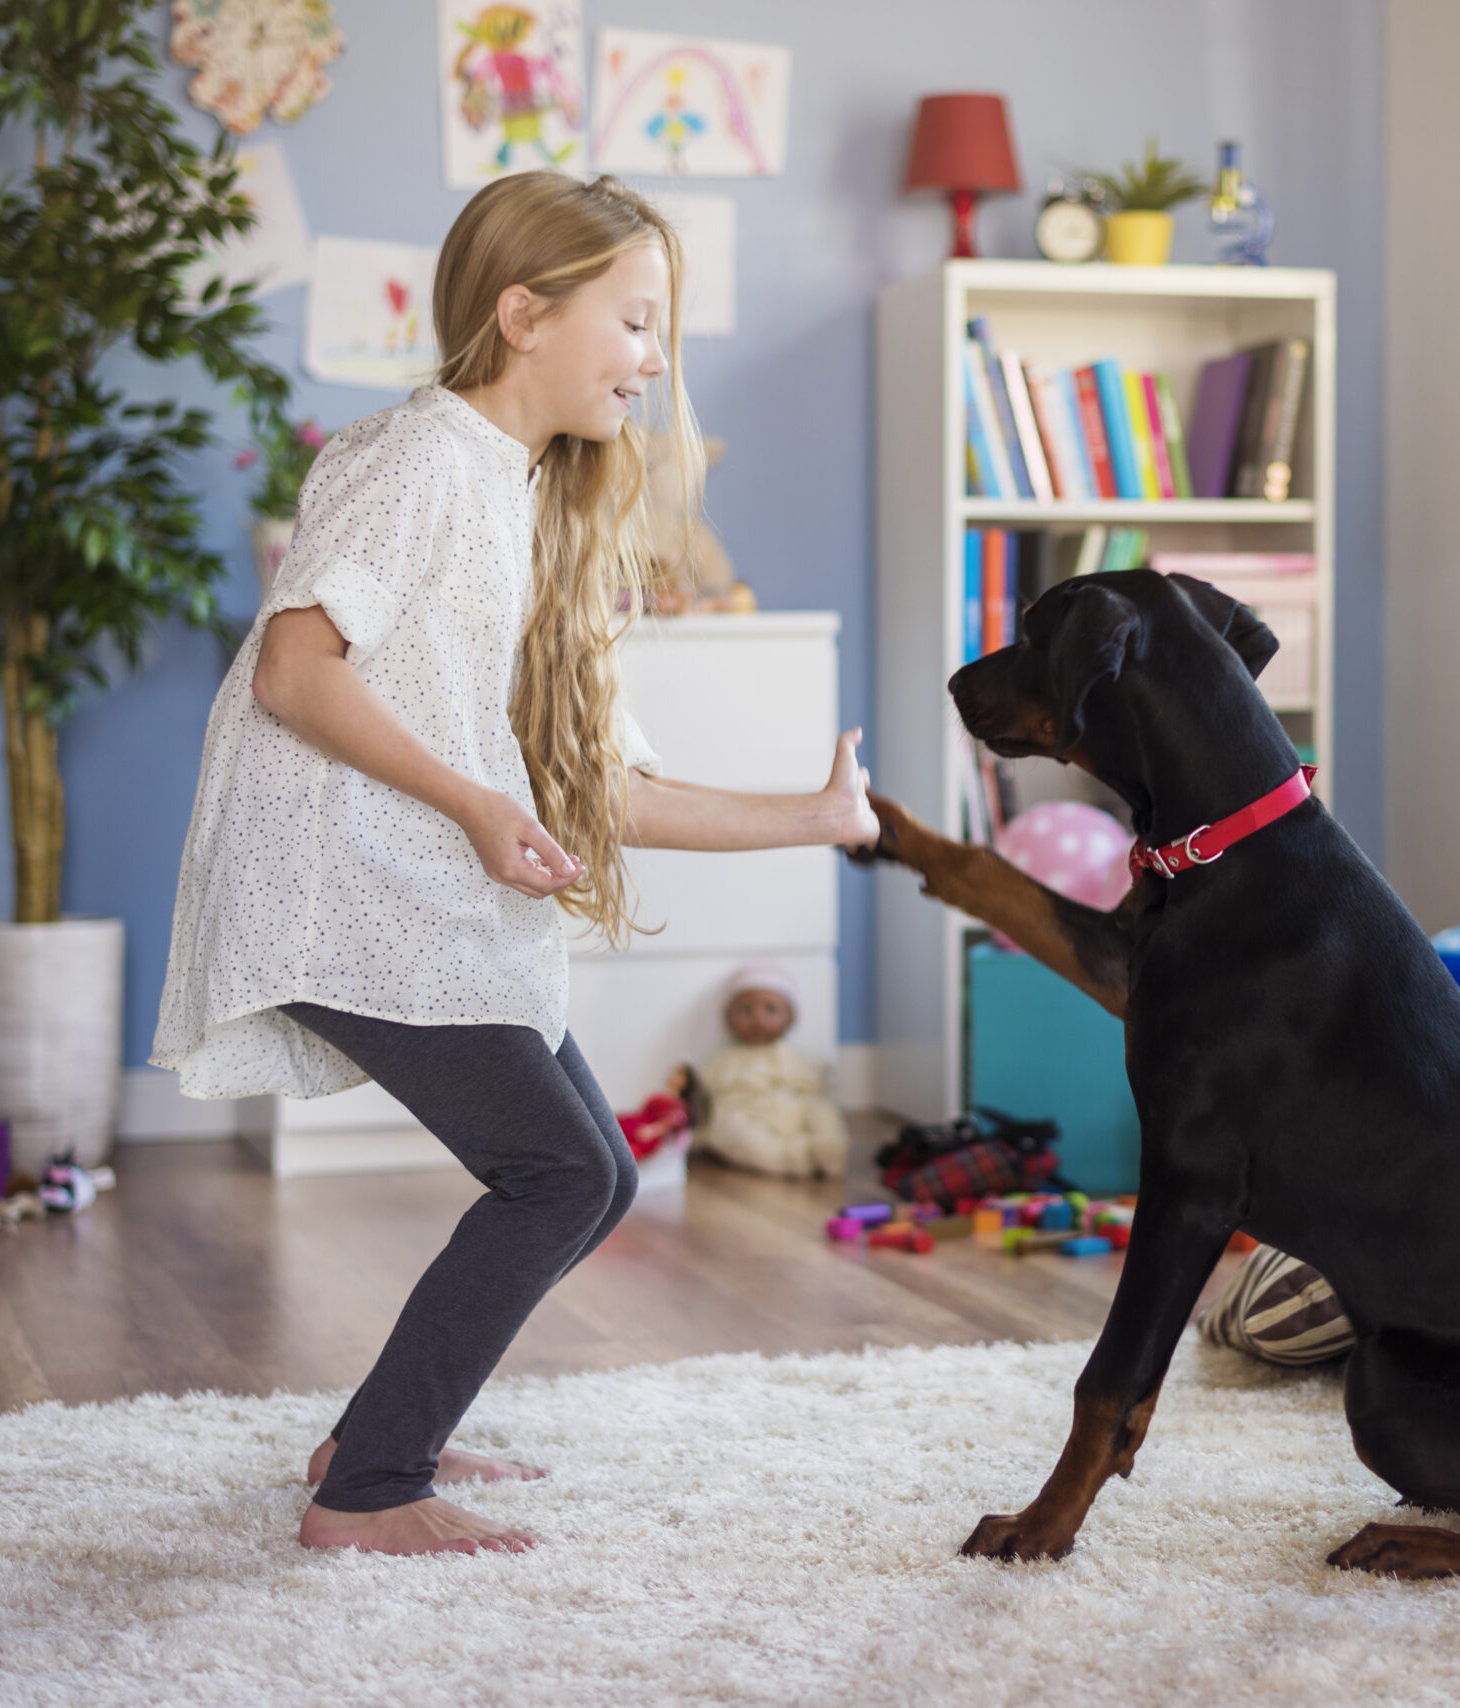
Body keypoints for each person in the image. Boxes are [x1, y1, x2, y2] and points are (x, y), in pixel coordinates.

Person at [152, 172, 878, 1557]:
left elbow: (609, 789)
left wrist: (816, 815)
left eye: (665, 331)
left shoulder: (533, 502)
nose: (656, 361)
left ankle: (371, 1441)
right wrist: (480, 806)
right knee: (556, 1171)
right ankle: (365, 1498)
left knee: (590, 1170)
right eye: (637, 322)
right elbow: (299, 676)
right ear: (524, 315)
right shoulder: (417, 458)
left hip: (408, 884)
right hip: (335, 885)